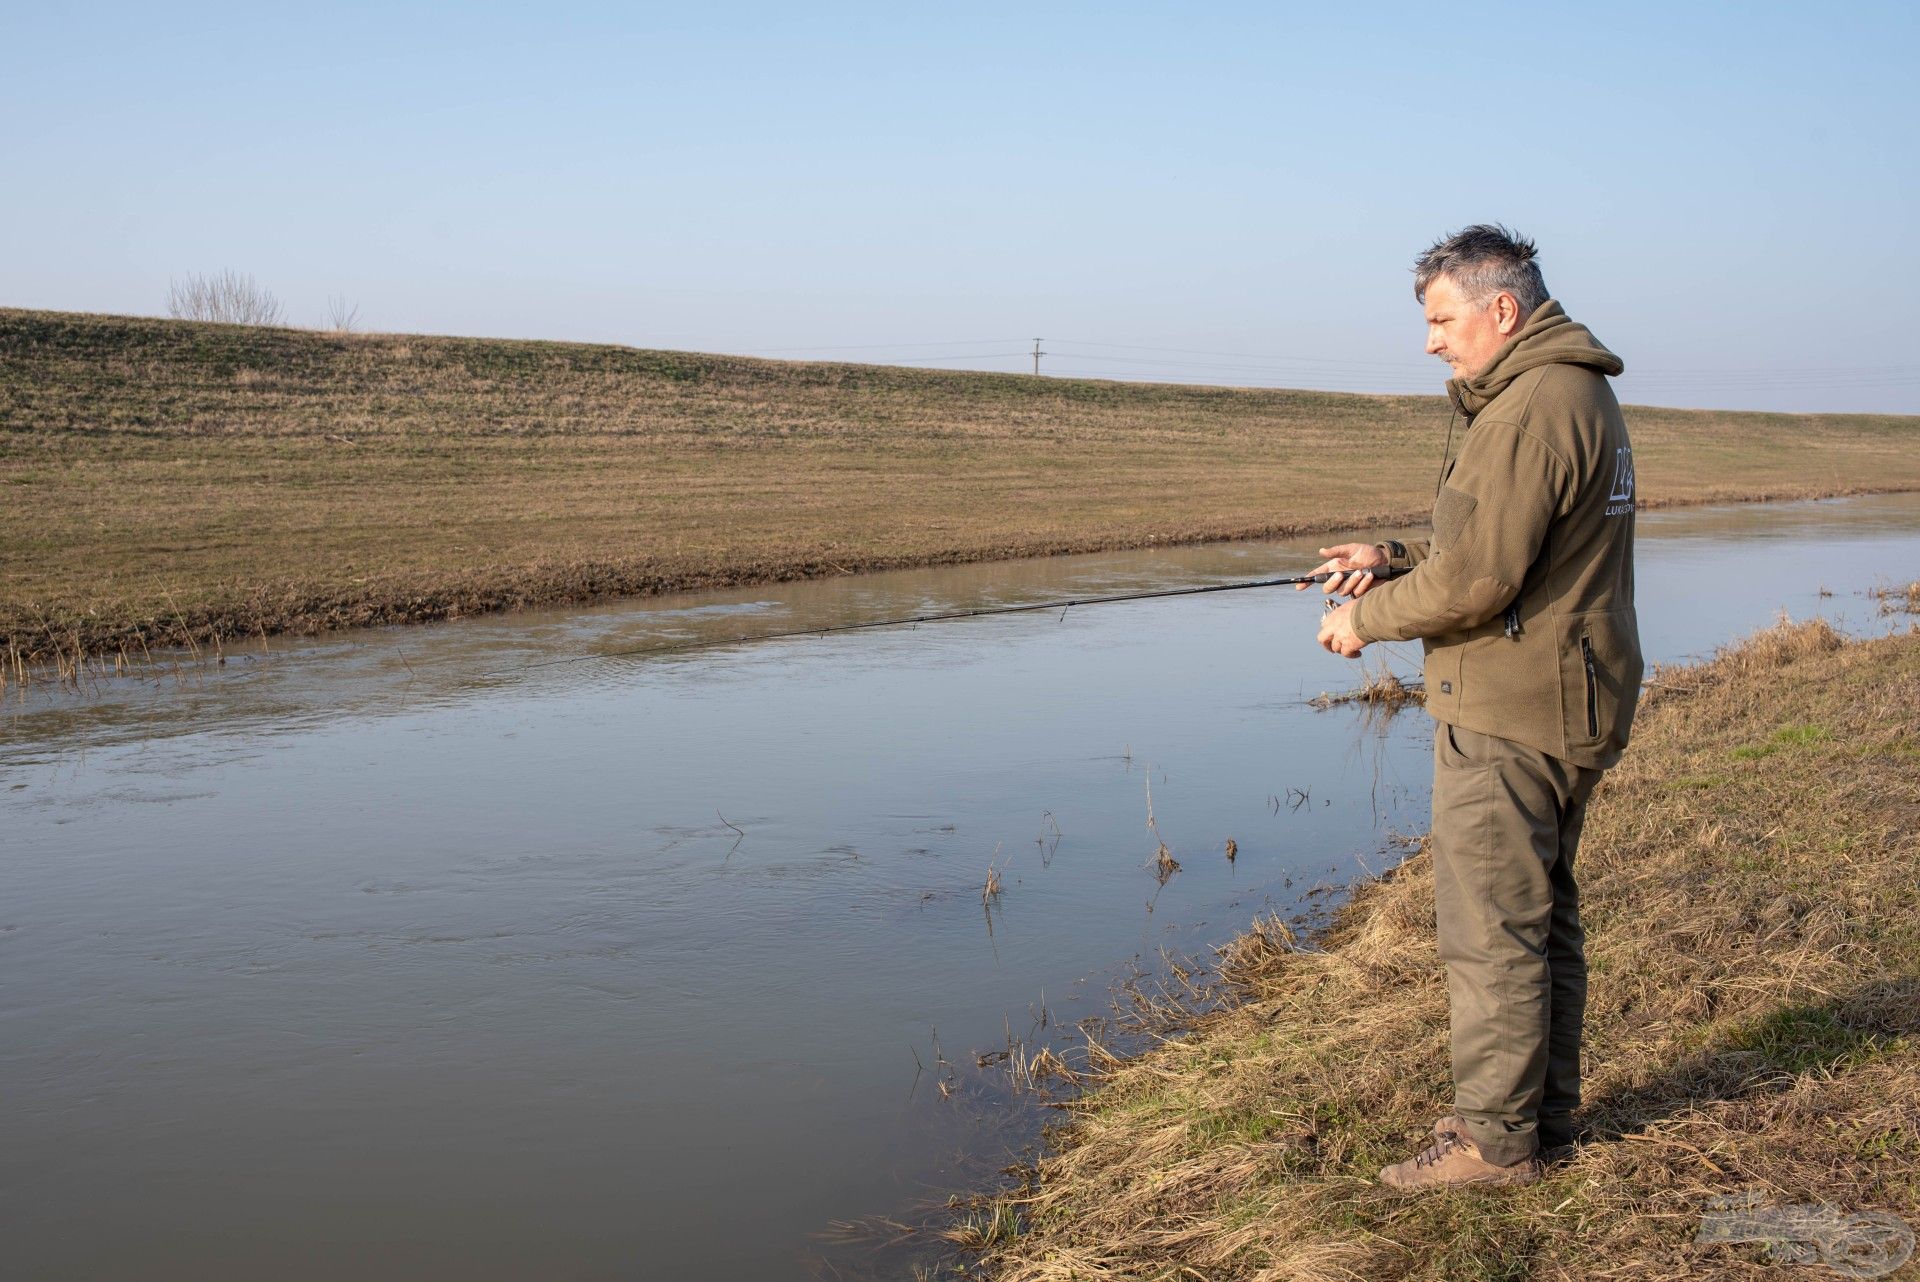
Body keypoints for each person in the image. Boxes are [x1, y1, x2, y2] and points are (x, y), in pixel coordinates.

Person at [1303, 224, 1644, 1192]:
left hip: (1517, 702)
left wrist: (1364, 620)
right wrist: (1392, 558)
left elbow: (1486, 577)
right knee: (1541, 919)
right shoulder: (1569, 389)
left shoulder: (1532, 408)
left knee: (1492, 930)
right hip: (1563, 692)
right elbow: (1502, 545)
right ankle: (1544, 1118)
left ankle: (1494, 1146)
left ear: (1503, 309)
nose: (1431, 342)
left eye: (1442, 319)